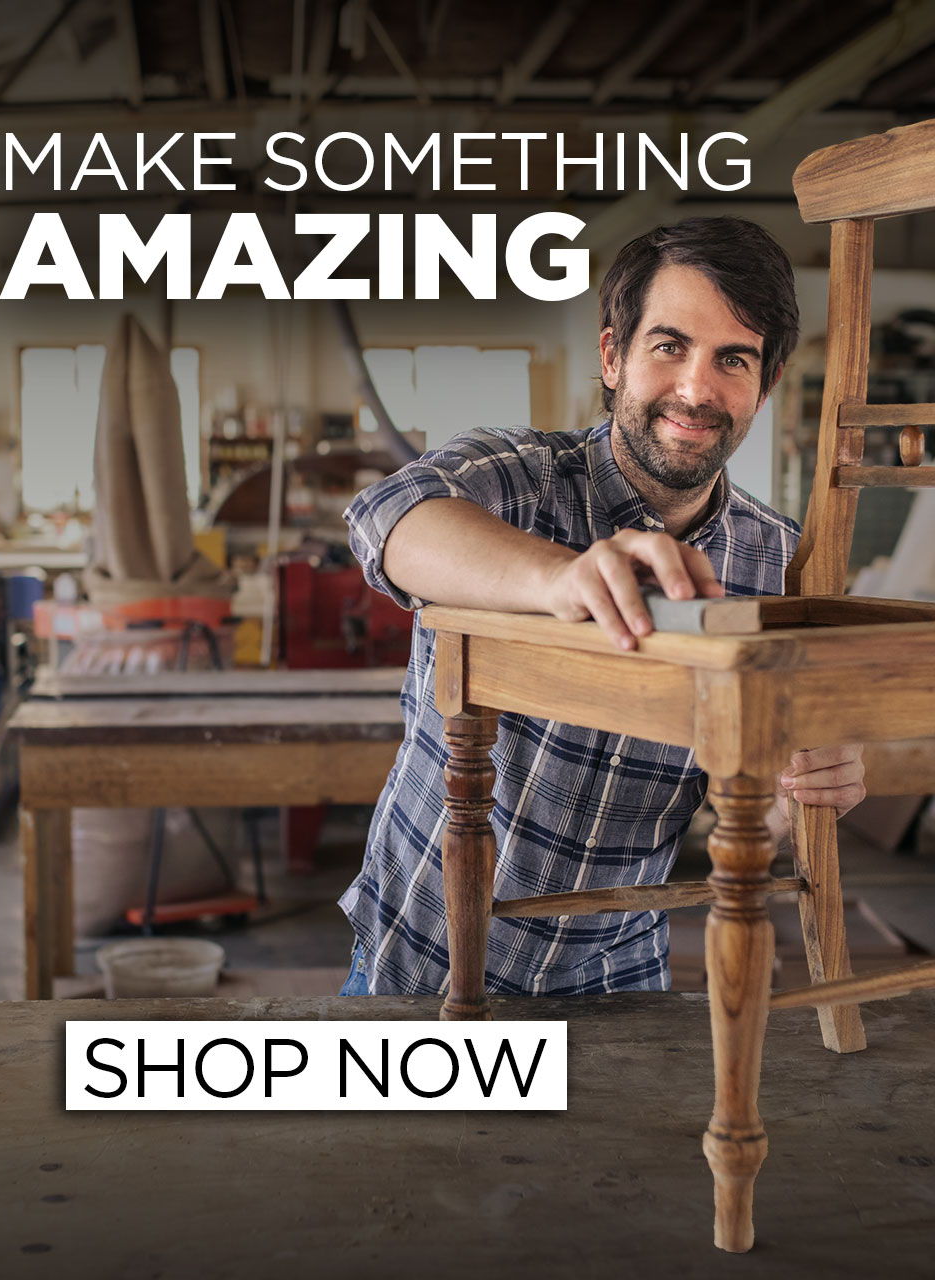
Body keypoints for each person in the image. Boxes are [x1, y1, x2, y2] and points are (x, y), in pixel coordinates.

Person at [337, 215, 865, 998]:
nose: (696, 388)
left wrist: (805, 790)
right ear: (613, 355)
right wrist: (561, 580)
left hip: (622, 978)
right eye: (669, 346)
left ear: (768, 382)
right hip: (421, 962)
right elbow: (384, 515)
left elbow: (750, 802)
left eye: (733, 359)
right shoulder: (519, 476)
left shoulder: (782, 561)